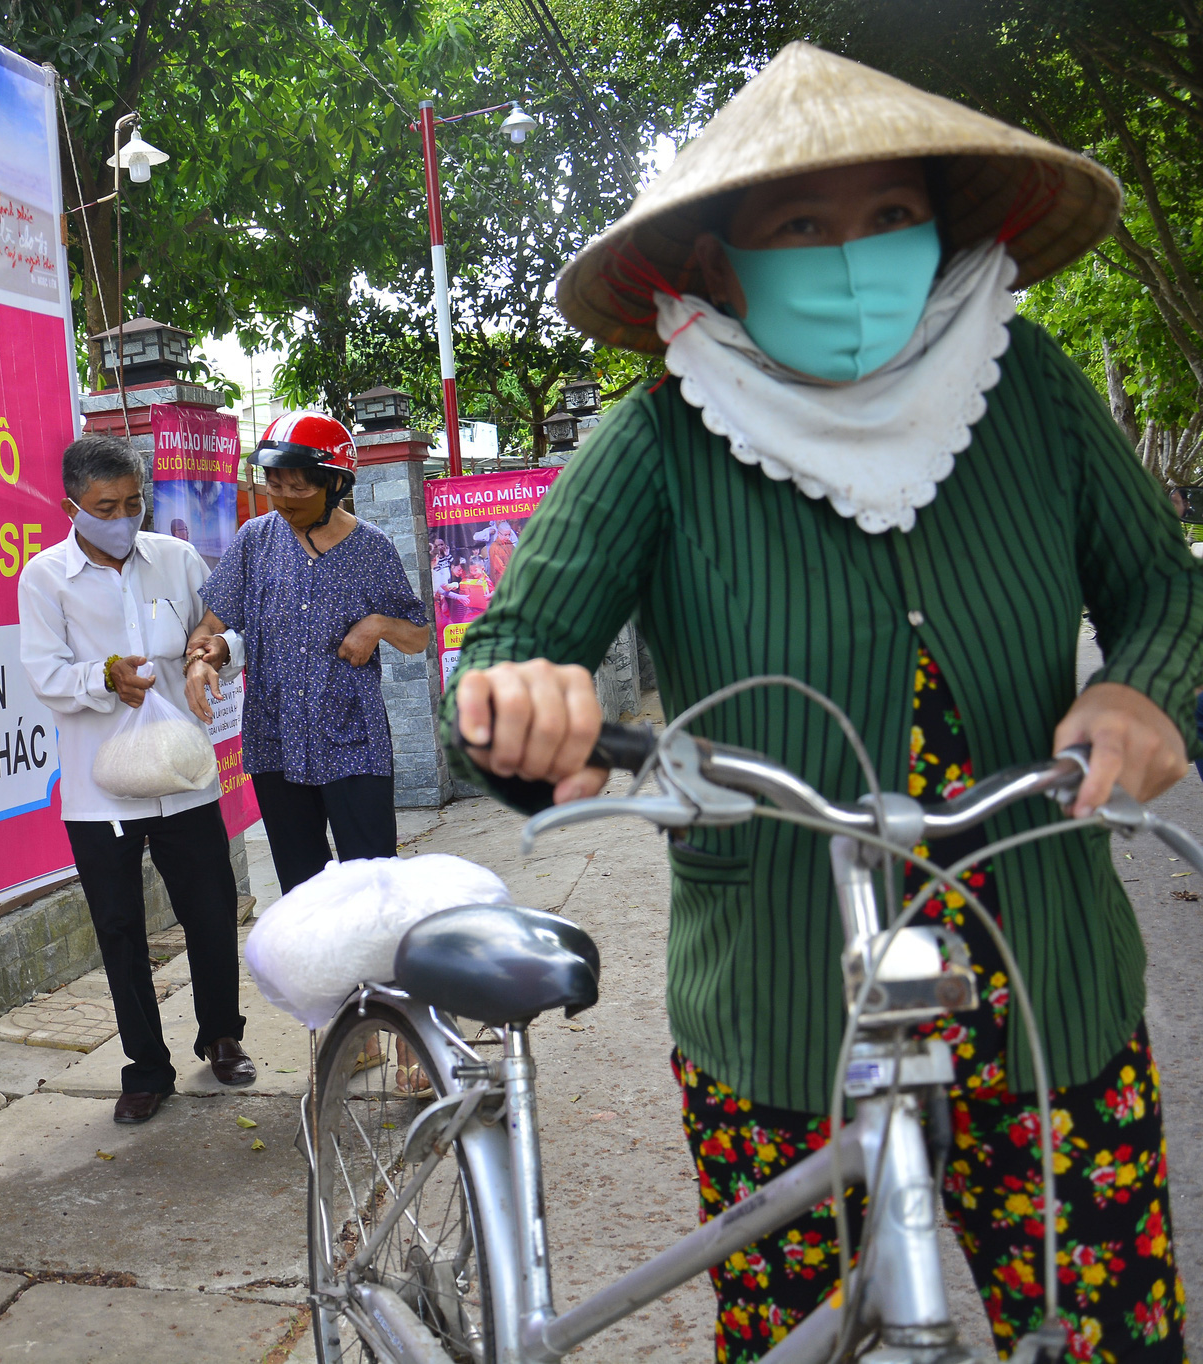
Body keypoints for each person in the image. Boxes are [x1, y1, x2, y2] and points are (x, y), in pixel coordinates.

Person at [445, 43, 1198, 1362]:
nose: (854, 257)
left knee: (1112, 1340)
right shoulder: (668, 430)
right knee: (808, 1340)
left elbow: (1163, 590)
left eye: (892, 218)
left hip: (1053, 994)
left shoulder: (1028, 390)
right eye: (803, 226)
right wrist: (526, 704)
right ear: (725, 266)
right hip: (782, 1012)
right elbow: (513, 644)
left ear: (942, 228)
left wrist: (1141, 692)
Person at [18, 435, 256, 1126]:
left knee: (211, 912)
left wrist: (217, 650)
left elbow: (225, 637)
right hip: (100, 793)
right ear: (72, 506)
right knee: (121, 930)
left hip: (182, 777)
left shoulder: (176, 560)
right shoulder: (46, 579)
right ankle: (145, 1068)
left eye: (132, 503)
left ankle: (222, 1037)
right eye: (104, 507)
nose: (121, 517)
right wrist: (102, 677)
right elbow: (46, 676)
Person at [187, 410, 431, 893]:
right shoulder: (255, 540)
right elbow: (209, 628)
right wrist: (204, 655)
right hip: (275, 736)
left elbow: (418, 634)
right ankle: (323, 972)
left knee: (373, 880)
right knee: (304, 892)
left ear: (334, 484)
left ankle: (380, 970)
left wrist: (377, 625)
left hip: (351, 739)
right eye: (275, 484)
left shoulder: (371, 549)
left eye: (299, 487)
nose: (283, 498)